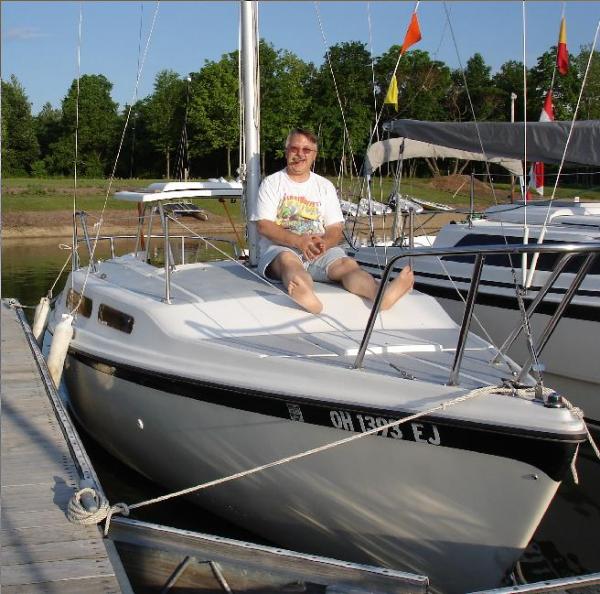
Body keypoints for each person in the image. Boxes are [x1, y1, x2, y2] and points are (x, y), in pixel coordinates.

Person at [251, 128, 414, 314]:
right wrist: (298, 241)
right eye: (294, 148)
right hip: (281, 248)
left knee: (347, 266)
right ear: (287, 151)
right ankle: (307, 295)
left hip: (319, 249)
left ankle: (379, 294)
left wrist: (325, 242)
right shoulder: (273, 183)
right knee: (289, 261)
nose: (300, 154)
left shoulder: (324, 186)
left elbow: (335, 228)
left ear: (314, 155)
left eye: (306, 150)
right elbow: (264, 226)